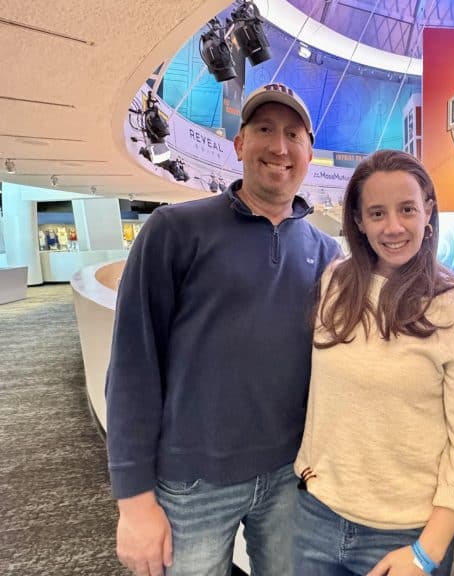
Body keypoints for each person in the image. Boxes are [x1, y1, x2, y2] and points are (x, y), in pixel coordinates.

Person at [106, 83, 340, 576]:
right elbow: (132, 366)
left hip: (291, 478)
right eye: (264, 129)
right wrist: (133, 499)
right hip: (191, 483)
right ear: (239, 144)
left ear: (309, 153)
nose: (279, 146)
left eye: (293, 135)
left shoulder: (326, 254)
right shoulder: (173, 230)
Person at [292, 150, 454, 576]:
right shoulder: (334, 282)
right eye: (377, 213)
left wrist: (426, 552)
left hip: (405, 534)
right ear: (358, 221)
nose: (393, 227)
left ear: (428, 211)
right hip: (316, 518)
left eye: (407, 209)